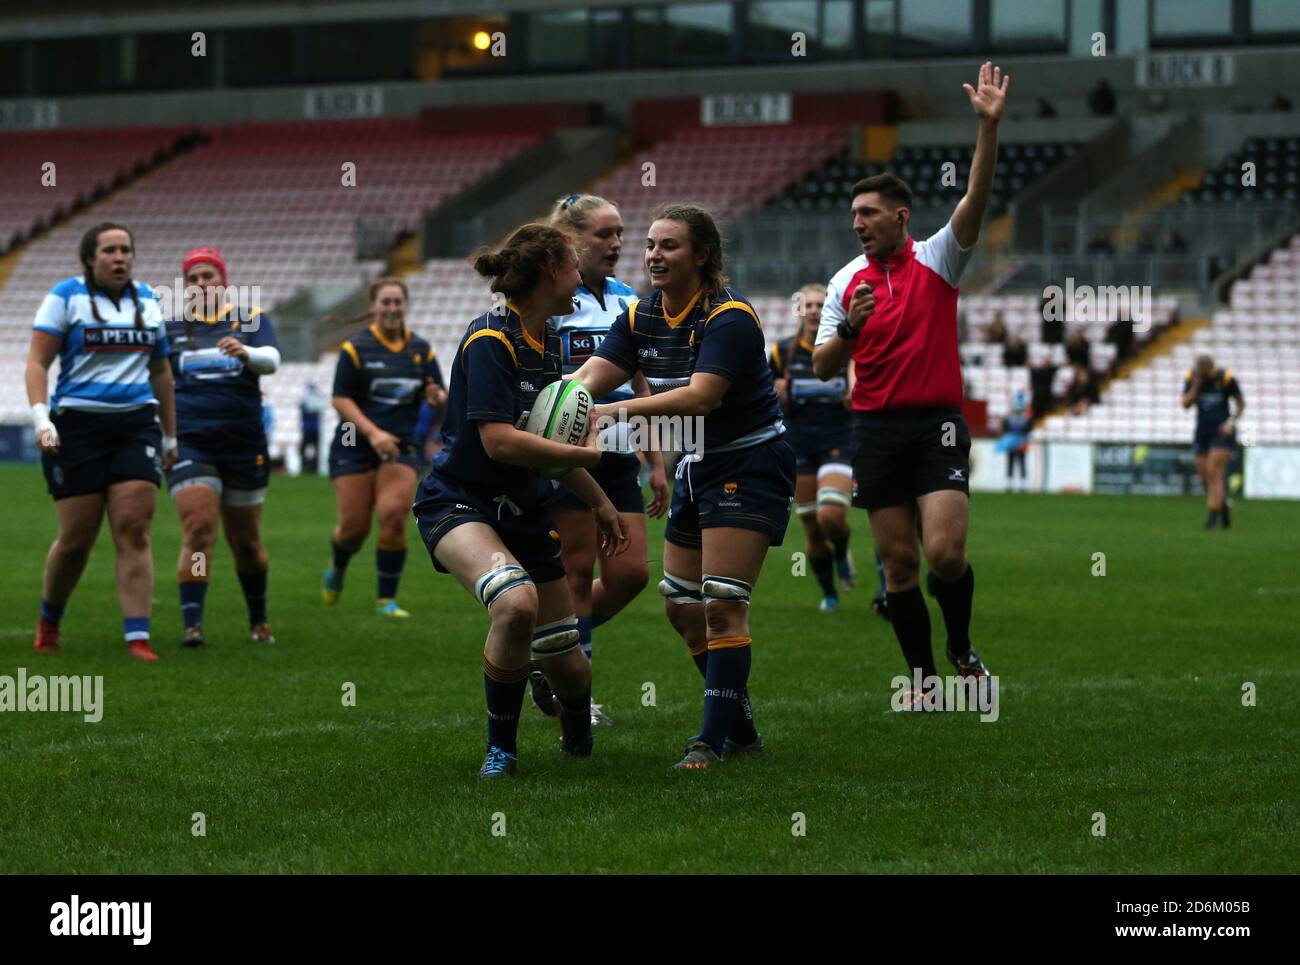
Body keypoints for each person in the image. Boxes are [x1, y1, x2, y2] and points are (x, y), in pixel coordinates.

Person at [573, 202, 796, 771]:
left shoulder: (730, 317)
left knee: (722, 604)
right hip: (699, 463)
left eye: (668, 245)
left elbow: (701, 397)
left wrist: (616, 414)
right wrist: (555, 399)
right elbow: (591, 375)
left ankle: (709, 742)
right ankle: (742, 729)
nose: (652, 254)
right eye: (649, 245)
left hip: (748, 463)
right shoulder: (642, 315)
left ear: (702, 256)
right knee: (680, 606)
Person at [813, 62, 1007, 708]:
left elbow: (975, 197)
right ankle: (924, 679)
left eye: (869, 213)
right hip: (874, 428)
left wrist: (988, 128)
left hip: (937, 423)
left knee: (946, 554)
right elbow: (820, 367)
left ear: (901, 216)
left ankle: (961, 644)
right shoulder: (845, 284)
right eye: (852, 214)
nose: (858, 223)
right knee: (898, 565)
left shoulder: (939, 257)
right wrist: (849, 334)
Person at [410, 223, 629, 777]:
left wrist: (599, 501)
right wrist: (588, 458)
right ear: (552, 272)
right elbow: (498, 440)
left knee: (569, 664)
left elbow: (544, 445)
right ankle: (500, 750)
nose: (581, 275)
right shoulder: (491, 341)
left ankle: (576, 729)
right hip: (460, 501)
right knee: (515, 604)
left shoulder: (546, 340)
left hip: (526, 508)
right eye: (573, 265)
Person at [535, 193, 669, 727]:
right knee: (576, 569)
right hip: (566, 456)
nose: (617, 244)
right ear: (572, 240)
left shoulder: (627, 299)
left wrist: (655, 459)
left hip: (618, 456)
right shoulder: (549, 301)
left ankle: (544, 645)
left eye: (620, 234)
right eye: (604, 235)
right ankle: (576, 692)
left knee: (631, 573)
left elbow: (641, 379)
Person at [26, 222, 177, 660]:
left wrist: (171, 437)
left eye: (126, 250)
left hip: (135, 427)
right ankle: (49, 620)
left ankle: (138, 637)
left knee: (133, 529)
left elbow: (161, 372)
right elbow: (37, 362)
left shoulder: (148, 300)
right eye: (109, 250)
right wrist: (41, 419)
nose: (120, 258)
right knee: (76, 540)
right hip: (77, 427)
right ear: (90, 259)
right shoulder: (65, 297)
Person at [166, 247, 280, 648]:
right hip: (190, 441)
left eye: (208, 276)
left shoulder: (250, 320)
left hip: (243, 442)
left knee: (245, 541)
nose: (201, 284)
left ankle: (258, 619)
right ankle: (192, 625)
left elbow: (271, 360)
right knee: (199, 529)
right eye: (193, 278)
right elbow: (154, 380)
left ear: (223, 281)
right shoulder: (169, 329)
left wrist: (245, 352)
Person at [322, 278, 447, 617]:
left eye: (397, 302)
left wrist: (438, 399)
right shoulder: (355, 349)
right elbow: (340, 398)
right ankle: (338, 564)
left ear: (405, 306)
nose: (392, 308)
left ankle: (386, 600)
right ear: (373, 306)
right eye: (385, 302)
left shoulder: (422, 350)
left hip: (401, 445)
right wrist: (373, 433)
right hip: (353, 442)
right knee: (353, 530)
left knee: (393, 517)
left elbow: (439, 398)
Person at [769, 283, 859, 612]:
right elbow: (763, 396)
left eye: (821, 304)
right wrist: (777, 393)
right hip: (799, 443)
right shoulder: (781, 352)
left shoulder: (845, 350)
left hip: (837, 440)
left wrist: (855, 397)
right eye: (807, 304)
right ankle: (829, 592)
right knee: (812, 528)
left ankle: (843, 551)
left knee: (831, 517)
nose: (813, 309)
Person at [1182, 354, 1244, 530]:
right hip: (1203, 431)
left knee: (1213, 472)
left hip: (1222, 431)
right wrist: (1196, 386)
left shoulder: (1225, 378)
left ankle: (1212, 519)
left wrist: (1231, 422)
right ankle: (1223, 507)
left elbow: (1241, 404)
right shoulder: (1192, 378)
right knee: (1204, 478)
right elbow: (1185, 404)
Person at [995, 391, 1032, 491]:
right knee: (1010, 462)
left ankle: (1023, 484)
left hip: (1021, 442)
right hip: (1011, 442)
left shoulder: (1026, 419)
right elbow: (1005, 429)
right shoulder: (1008, 419)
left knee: (1021, 462)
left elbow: (1028, 429)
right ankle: (1009, 483)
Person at [300, 382, 326, 475]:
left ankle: (313, 468)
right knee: (306, 449)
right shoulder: (305, 403)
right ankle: (305, 467)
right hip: (309, 429)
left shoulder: (313, 402)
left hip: (313, 429)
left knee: (314, 449)